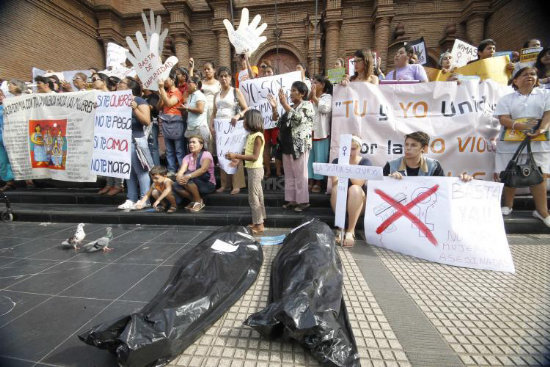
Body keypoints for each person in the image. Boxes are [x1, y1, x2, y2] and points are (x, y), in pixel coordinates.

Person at [494, 66, 550, 227]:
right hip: (512, 142)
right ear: (515, 80)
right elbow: (503, 119)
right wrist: (519, 126)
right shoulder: (507, 99)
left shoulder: (545, 95)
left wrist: (542, 129)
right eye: (525, 75)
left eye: (533, 74)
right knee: (511, 172)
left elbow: (548, 114)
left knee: (539, 175)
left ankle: (542, 211)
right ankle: (508, 205)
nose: (530, 77)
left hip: (538, 141)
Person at [268, 81, 314, 212]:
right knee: (289, 175)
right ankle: (292, 199)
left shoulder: (307, 105)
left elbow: (299, 118)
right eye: (291, 90)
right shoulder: (291, 107)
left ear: (302, 93)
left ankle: (303, 201)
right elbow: (277, 122)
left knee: (300, 174)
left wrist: (285, 105)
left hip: (299, 146)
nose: (291, 93)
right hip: (286, 145)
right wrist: (275, 108)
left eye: (294, 90)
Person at [225, 110, 266, 234]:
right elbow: (248, 153)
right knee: (258, 196)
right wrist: (237, 159)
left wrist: (236, 155)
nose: (243, 122)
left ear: (252, 121)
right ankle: (259, 220)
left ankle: (259, 225)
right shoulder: (251, 135)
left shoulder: (258, 136)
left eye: (245, 120)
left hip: (255, 170)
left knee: (253, 197)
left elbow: (254, 156)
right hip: (253, 169)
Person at [210, 66, 248, 195]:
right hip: (220, 129)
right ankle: (225, 184)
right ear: (218, 78)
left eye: (226, 75)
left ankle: (237, 184)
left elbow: (246, 108)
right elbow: (214, 112)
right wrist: (211, 126)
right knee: (222, 156)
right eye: (221, 76)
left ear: (230, 78)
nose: (223, 78)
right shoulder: (216, 95)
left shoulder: (235, 91)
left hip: (233, 127)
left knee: (235, 154)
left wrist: (238, 115)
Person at [117, 77, 152, 210]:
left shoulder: (139, 100)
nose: (118, 84)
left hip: (136, 139)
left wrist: (135, 109)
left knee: (140, 170)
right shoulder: (118, 101)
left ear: (129, 87)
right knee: (128, 171)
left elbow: (146, 121)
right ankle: (131, 197)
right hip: (122, 141)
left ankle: (144, 198)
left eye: (122, 83)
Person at [330, 136, 371, 248]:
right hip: (341, 202)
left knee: (355, 189)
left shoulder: (365, 162)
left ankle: (350, 231)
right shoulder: (336, 161)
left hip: (358, 202)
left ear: (359, 149)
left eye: (353, 149)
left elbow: (359, 183)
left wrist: (346, 168)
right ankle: (340, 228)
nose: (349, 152)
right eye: (347, 149)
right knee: (337, 188)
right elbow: (335, 183)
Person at [92, 73, 125, 196]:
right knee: (106, 159)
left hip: (115, 133)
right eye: (92, 79)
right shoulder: (96, 96)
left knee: (115, 158)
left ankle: (118, 185)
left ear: (104, 81)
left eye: (96, 79)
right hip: (102, 132)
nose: (93, 81)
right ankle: (109, 183)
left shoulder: (113, 96)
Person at [0, 79, 33, 191]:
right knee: (8, 158)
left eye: (12, 84)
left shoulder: (27, 98)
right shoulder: (8, 101)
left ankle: (29, 180)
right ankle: (10, 181)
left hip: (23, 131)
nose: (9, 86)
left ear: (18, 86)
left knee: (25, 156)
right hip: (9, 133)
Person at [174, 135, 216, 212]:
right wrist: (179, 177)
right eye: (190, 142)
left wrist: (188, 176)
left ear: (201, 145)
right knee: (176, 185)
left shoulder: (206, 154)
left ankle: (198, 202)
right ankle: (196, 200)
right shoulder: (187, 157)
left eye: (194, 142)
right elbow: (181, 171)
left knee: (188, 180)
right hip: (192, 182)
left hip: (207, 184)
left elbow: (203, 169)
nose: (191, 144)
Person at [308, 75, 332, 193]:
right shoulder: (309, 98)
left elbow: (325, 109)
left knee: (319, 158)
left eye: (316, 82)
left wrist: (315, 98)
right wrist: (311, 97)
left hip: (321, 133)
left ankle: (318, 182)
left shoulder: (327, 97)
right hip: (309, 133)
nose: (313, 84)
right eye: (312, 82)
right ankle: (310, 180)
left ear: (322, 85)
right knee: (309, 159)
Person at [158, 70, 185, 175]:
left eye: (166, 79)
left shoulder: (177, 92)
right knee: (169, 149)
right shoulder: (166, 92)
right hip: (165, 120)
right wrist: (162, 93)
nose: (164, 82)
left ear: (173, 80)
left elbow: (169, 103)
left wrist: (161, 89)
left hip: (175, 121)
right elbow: (158, 106)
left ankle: (181, 170)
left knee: (179, 149)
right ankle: (171, 169)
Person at [182, 76, 210, 147]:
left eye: (189, 83)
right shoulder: (191, 96)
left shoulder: (199, 95)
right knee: (192, 151)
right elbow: (188, 110)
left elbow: (200, 110)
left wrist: (187, 108)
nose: (187, 85)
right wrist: (184, 110)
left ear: (196, 84)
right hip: (192, 127)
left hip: (199, 127)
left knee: (201, 151)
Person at [201, 61, 221, 151]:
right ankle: (208, 155)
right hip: (203, 111)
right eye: (205, 69)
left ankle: (217, 155)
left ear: (214, 70)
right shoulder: (200, 83)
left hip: (215, 111)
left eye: (208, 69)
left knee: (215, 132)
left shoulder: (218, 83)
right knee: (205, 133)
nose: (206, 71)